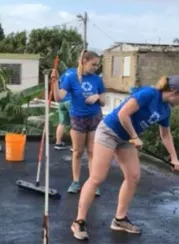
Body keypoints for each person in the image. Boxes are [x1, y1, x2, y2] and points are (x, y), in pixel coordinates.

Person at [70, 75, 179, 241]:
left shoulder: (166, 110)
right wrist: (135, 136)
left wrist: (174, 158)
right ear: (174, 92)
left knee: (133, 176)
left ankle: (119, 220)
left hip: (126, 138)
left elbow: (165, 134)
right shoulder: (149, 94)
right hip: (109, 131)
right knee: (97, 178)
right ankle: (79, 221)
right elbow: (123, 114)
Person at [52, 50, 106, 194]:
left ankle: (93, 183)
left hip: (95, 118)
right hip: (78, 118)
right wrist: (54, 82)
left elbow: (104, 102)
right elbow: (58, 98)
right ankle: (76, 182)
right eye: (93, 64)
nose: (96, 68)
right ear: (84, 61)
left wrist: (97, 96)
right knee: (77, 152)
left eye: (97, 65)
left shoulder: (97, 80)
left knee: (92, 152)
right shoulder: (71, 77)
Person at [54, 68, 75, 150]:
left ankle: (58, 143)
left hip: (62, 101)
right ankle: (74, 146)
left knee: (62, 123)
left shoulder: (65, 73)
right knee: (74, 124)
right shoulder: (77, 73)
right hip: (71, 100)